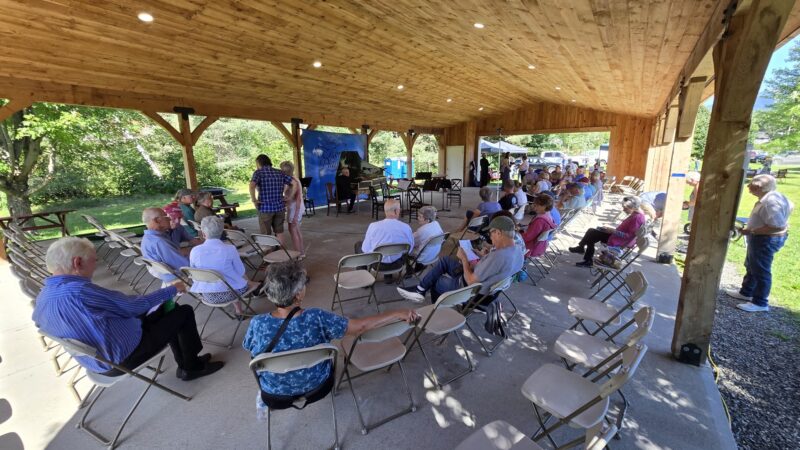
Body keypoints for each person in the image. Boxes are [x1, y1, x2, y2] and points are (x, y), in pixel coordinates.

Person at [32, 237, 223, 380]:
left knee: (167, 310)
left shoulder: (43, 297)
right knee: (184, 312)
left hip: (99, 359)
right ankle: (191, 367)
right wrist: (172, 289)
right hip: (121, 357)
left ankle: (187, 363)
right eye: (93, 261)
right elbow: (133, 307)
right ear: (77, 263)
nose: (94, 266)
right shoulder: (79, 290)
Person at [243, 261, 419, 398]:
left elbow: (251, 350)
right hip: (318, 386)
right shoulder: (317, 317)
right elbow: (361, 327)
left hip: (274, 393)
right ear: (298, 295)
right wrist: (397, 312)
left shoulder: (257, 324)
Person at [397, 216, 524, 303]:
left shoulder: (498, 256)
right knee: (445, 261)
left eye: (491, 233)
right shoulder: (518, 251)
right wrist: (482, 256)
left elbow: (470, 281)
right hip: (488, 291)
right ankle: (420, 290)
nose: (490, 237)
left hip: (471, 292)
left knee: (436, 282)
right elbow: (496, 269)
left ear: (499, 233)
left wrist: (464, 259)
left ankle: (436, 313)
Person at [725, 174, 794, 312]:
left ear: (758, 187)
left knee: (761, 270)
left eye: (751, 185)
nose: (748, 187)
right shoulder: (773, 197)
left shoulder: (770, 202)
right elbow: (790, 208)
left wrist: (753, 231)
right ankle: (746, 292)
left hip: (765, 239)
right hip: (762, 238)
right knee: (752, 265)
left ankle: (760, 302)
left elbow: (778, 225)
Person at [189, 216, 260, 316]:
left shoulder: (195, 251)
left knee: (229, 279)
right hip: (231, 293)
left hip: (206, 294)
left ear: (203, 234)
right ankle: (240, 309)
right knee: (238, 280)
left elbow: (194, 274)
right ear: (222, 232)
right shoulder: (230, 249)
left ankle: (241, 306)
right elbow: (240, 272)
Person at [569, 196, 646, 267]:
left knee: (592, 234)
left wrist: (613, 231)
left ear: (632, 207)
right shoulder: (637, 214)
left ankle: (584, 253)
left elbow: (629, 236)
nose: (623, 210)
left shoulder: (637, 218)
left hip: (619, 241)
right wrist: (611, 230)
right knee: (592, 232)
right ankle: (583, 251)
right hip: (617, 236)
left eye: (625, 208)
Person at [357, 199, 414, 272]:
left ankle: (363, 274)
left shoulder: (373, 226)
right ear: (396, 211)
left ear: (385, 211)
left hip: (378, 265)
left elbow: (365, 249)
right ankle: (388, 277)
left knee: (359, 245)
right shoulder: (406, 227)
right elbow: (410, 248)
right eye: (400, 210)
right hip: (398, 263)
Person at [141, 207, 195, 282]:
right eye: (166, 217)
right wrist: (195, 252)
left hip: (164, 272)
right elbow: (183, 265)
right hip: (174, 276)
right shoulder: (159, 241)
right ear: (157, 220)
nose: (169, 219)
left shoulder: (147, 237)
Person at [249, 154, 294, 237]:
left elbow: (252, 186)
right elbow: (294, 183)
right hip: (280, 208)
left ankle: (271, 250)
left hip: (265, 208)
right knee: (279, 232)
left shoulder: (258, 173)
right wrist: (290, 196)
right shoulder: (280, 172)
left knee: (266, 234)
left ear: (259, 163)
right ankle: (281, 249)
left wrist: (254, 200)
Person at [280, 161, 305, 257]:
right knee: (296, 230)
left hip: (296, 208)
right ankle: (301, 252)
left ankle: (298, 254)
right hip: (293, 208)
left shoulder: (293, 181)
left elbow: (298, 200)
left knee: (293, 231)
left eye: (282, 170)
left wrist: (295, 216)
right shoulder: (291, 179)